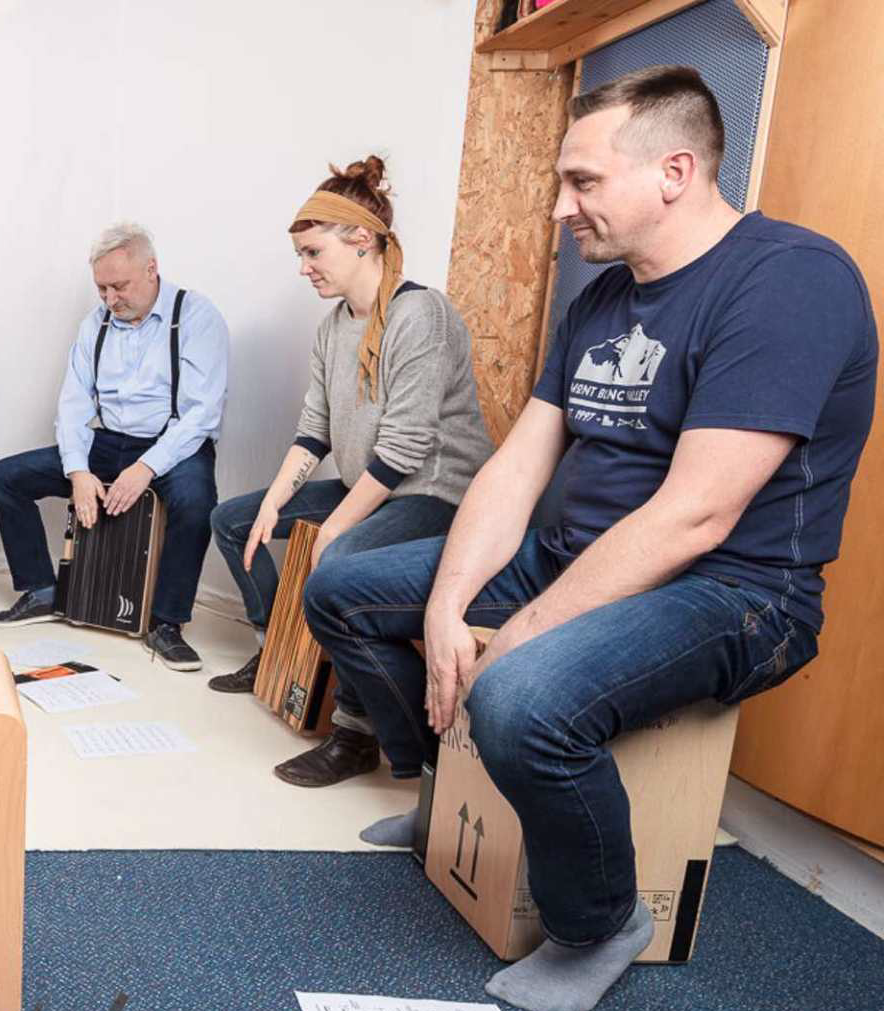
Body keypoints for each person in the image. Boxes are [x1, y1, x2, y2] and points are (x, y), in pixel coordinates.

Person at [303, 66, 875, 1011]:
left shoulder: (790, 282)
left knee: (521, 696)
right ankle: (447, 792)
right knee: (342, 590)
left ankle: (600, 921)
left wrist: (525, 632)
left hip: (735, 589)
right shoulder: (604, 301)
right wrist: (448, 603)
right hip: (574, 553)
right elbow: (516, 469)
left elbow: (697, 514)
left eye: (583, 182)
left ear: (674, 171)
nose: (561, 207)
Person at [206, 156, 495, 788]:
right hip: (373, 483)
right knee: (233, 522)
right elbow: (314, 429)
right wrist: (272, 503)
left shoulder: (422, 314)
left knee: (339, 563)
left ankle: (356, 734)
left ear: (362, 239)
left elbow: (406, 449)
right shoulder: (334, 326)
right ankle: (273, 652)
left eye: (312, 252)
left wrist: (336, 528)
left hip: (432, 493)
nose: (303, 267)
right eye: (300, 255)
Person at [0, 222, 227, 670]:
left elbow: (202, 414)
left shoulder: (196, 316)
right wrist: (78, 471)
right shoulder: (94, 323)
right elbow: (73, 405)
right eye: (102, 289)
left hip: (174, 442)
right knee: (6, 477)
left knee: (196, 502)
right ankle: (42, 591)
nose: (110, 299)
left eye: (120, 286)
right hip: (109, 440)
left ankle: (166, 623)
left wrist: (146, 468)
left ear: (152, 269)